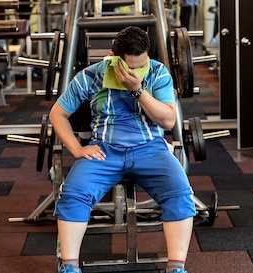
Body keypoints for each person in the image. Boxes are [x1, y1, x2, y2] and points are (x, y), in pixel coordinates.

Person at [49, 26, 196, 273]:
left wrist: (137, 90)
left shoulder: (158, 73)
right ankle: (70, 267)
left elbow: (169, 121)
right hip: (105, 151)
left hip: (150, 149)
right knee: (72, 196)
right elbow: (58, 113)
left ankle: (176, 268)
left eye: (142, 65)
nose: (138, 71)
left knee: (180, 194)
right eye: (131, 67)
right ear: (113, 58)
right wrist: (76, 149)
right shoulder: (90, 76)